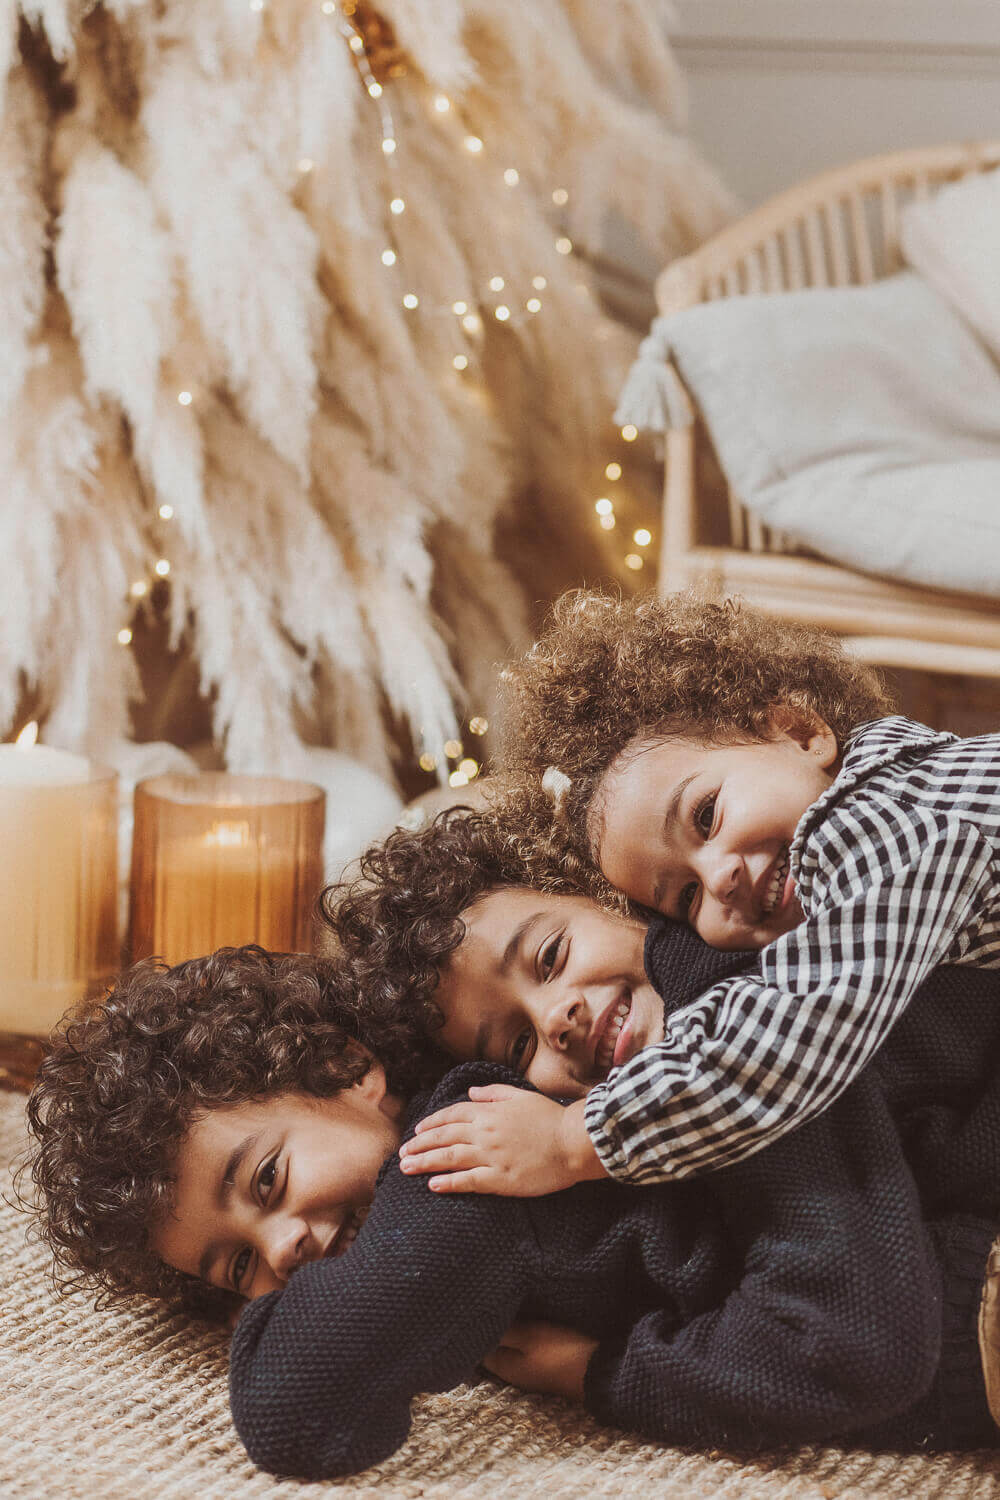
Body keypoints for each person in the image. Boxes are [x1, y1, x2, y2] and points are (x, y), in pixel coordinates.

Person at [23, 941, 998, 1476]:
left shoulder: (460, 1159)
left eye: (268, 1181)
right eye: (236, 1266)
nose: (284, 1249)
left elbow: (295, 1412)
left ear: (346, 1074)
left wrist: (607, 1376)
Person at [455, 587, 1000, 1188]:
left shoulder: (870, 820)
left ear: (799, 731)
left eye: (706, 815)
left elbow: (798, 1026)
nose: (719, 877)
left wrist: (574, 1141)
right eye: (686, 898)